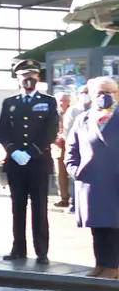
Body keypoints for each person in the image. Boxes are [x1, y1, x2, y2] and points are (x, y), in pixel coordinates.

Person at [0, 59, 58, 265]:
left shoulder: (48, 101)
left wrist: (31, 152)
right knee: (17, 207)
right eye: (24, 75)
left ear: (38, 78)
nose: (28, 79)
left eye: (32, 75)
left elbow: (50, 131)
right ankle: (18, 248)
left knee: (39, 207)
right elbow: (2, 131)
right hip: (16, 163)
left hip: (38, 161)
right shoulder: (10, 102)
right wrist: (13, 151)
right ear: (17, 78)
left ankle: (42, 251)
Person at [65, 77, 119, 278]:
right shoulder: (83, 119)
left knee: (114, 226)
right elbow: (71, 148)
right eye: (100, 93)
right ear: (92, 95)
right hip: (92, 181)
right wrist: (75, 170)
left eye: (110, 92)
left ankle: (113, 267)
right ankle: (101, 263)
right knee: (97, 226)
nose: (105, 97)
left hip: (115, 181)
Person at [63, 84, 89, 214]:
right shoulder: (74, 110)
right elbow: (67, 130)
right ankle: (74, 204)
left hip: (91, 150)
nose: (85, 95)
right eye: (82, 92)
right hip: (77, 148)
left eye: (87, 92)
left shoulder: (96, 109)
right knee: (74, 176)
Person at [51, 92, 73, 208]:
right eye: (59, 100)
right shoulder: (54, 113)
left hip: (72, 146)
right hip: (58, 147)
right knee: (60, 173)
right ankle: (63, 198)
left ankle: (75, 198)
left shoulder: (73, 112)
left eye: (64, 100)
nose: (61, 103)